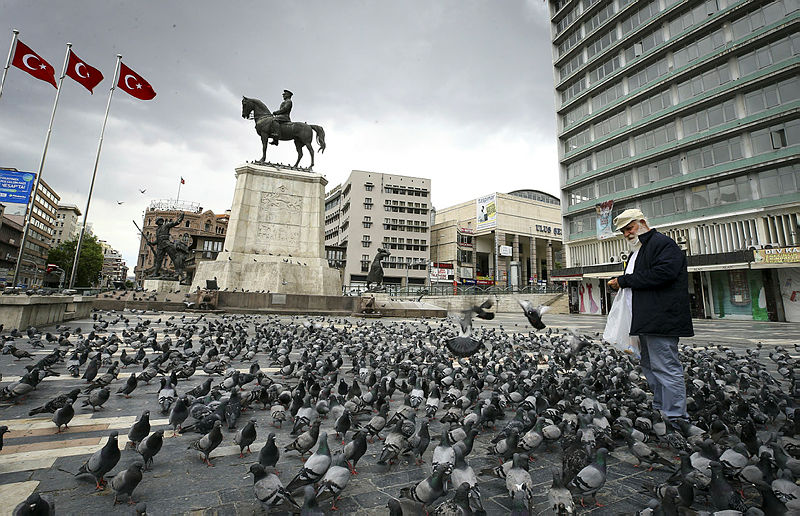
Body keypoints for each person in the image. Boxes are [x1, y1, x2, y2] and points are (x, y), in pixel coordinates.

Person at [607, 208, 693, 429]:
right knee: (650, 366)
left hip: (661, 319)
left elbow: (664, 273)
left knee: (665, 366)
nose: (627, 234)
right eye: (623, 231)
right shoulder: (640, 250)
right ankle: (661, 407)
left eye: (629, 228)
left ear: (643, 223)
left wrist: (624, 281)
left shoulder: (662, 243)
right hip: (646, 319)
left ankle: (675, 416)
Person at [151, 212, 185, 277]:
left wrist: (181, 217)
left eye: (161, 220)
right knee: (158, 260)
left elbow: (176, 223)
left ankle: (177, 272)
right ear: (157, 222)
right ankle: (155, 273)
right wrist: (151, 243)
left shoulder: (166, 226)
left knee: (174, 257)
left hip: (167, 244)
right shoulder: (157, 230)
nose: (161, 221)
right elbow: (157, 240)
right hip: (160, 246)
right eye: (159, 220)